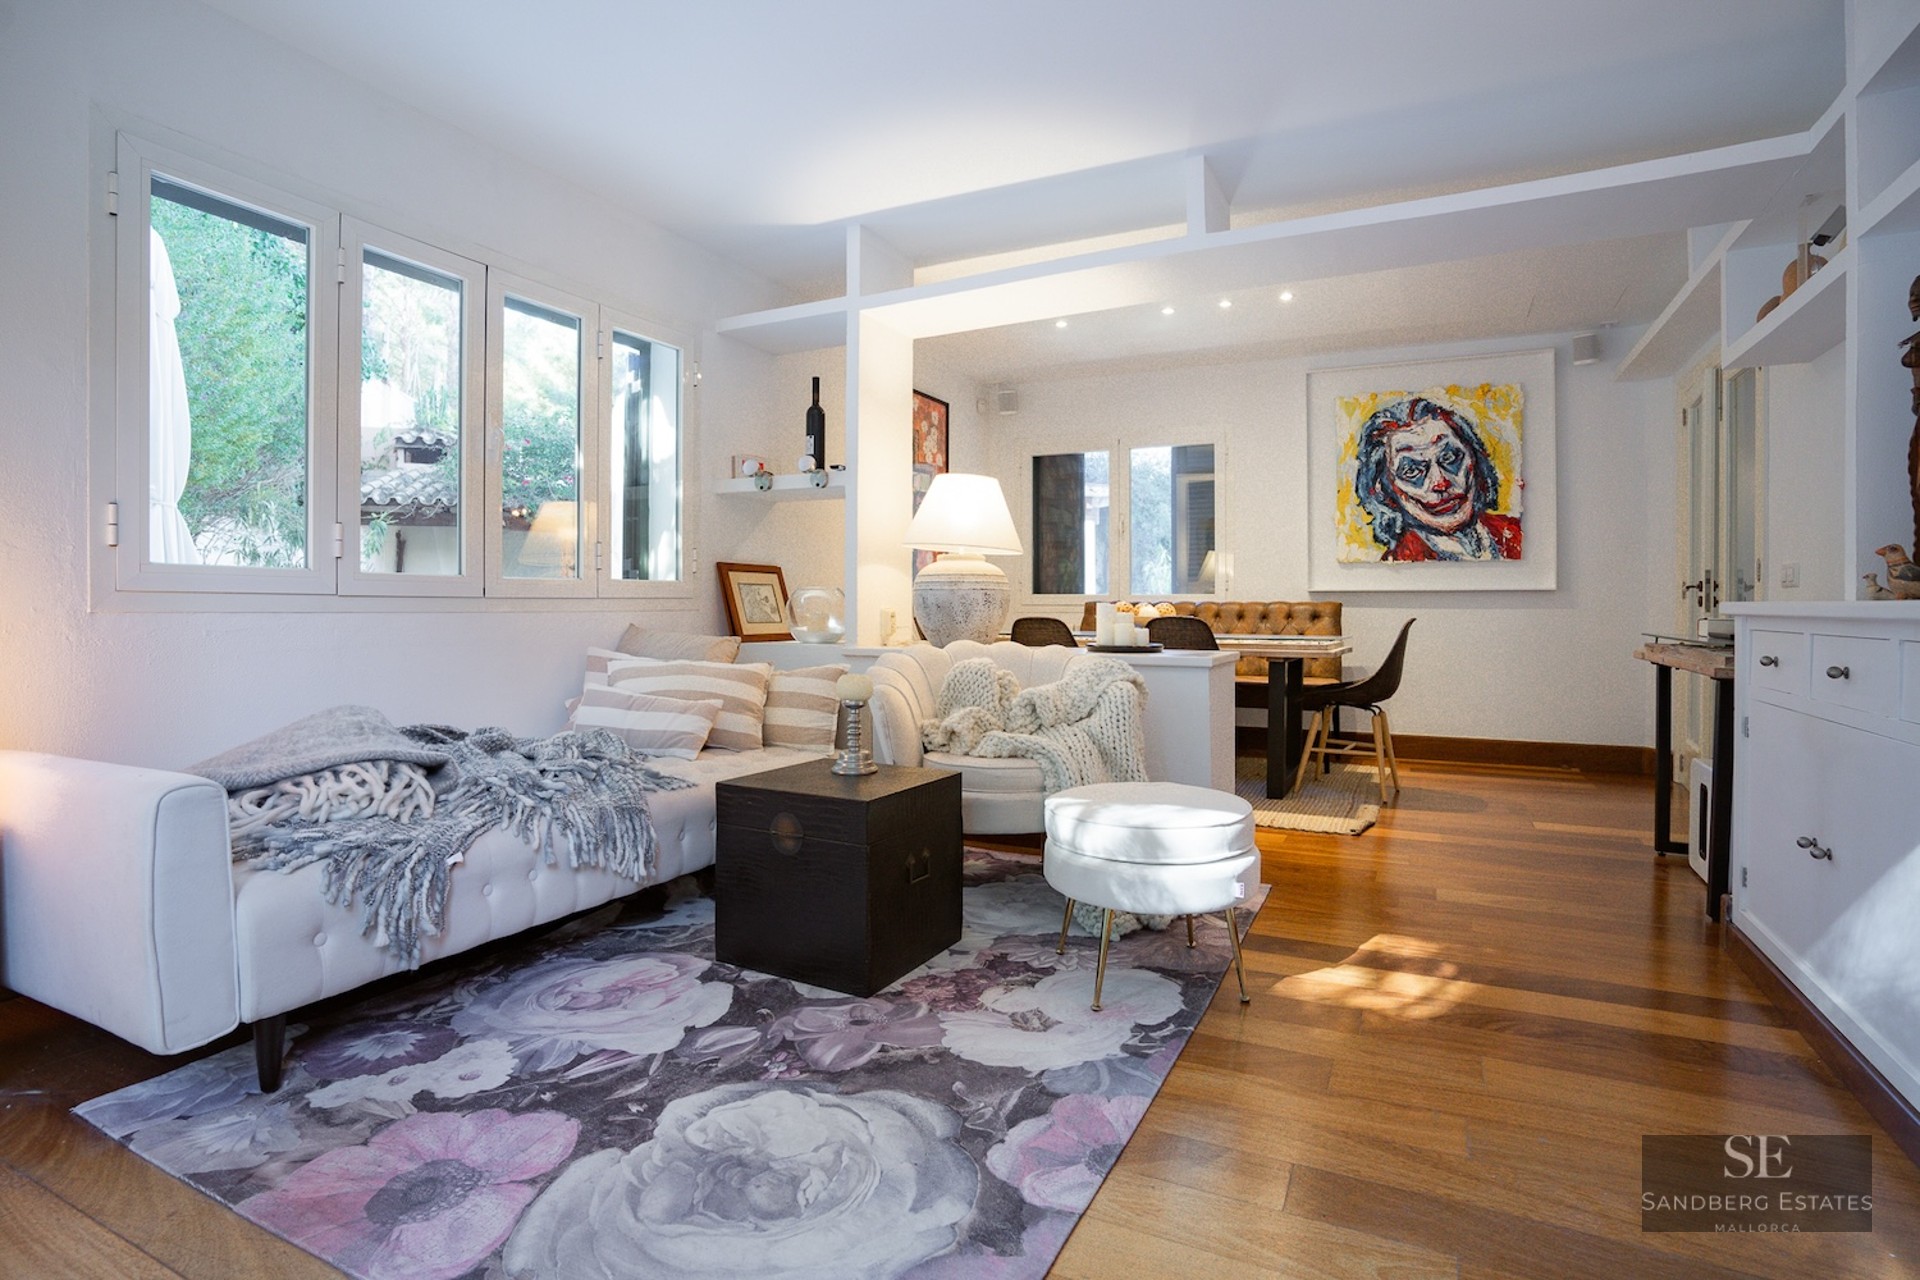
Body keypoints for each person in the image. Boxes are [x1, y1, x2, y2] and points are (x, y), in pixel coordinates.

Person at [1352, 394, 1522, 561]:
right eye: (1412, 471)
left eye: (1450, 458)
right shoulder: (1402, 564)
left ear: (1474, 456)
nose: (1441, 483)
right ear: (1383, 489)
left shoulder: (1515, 533)